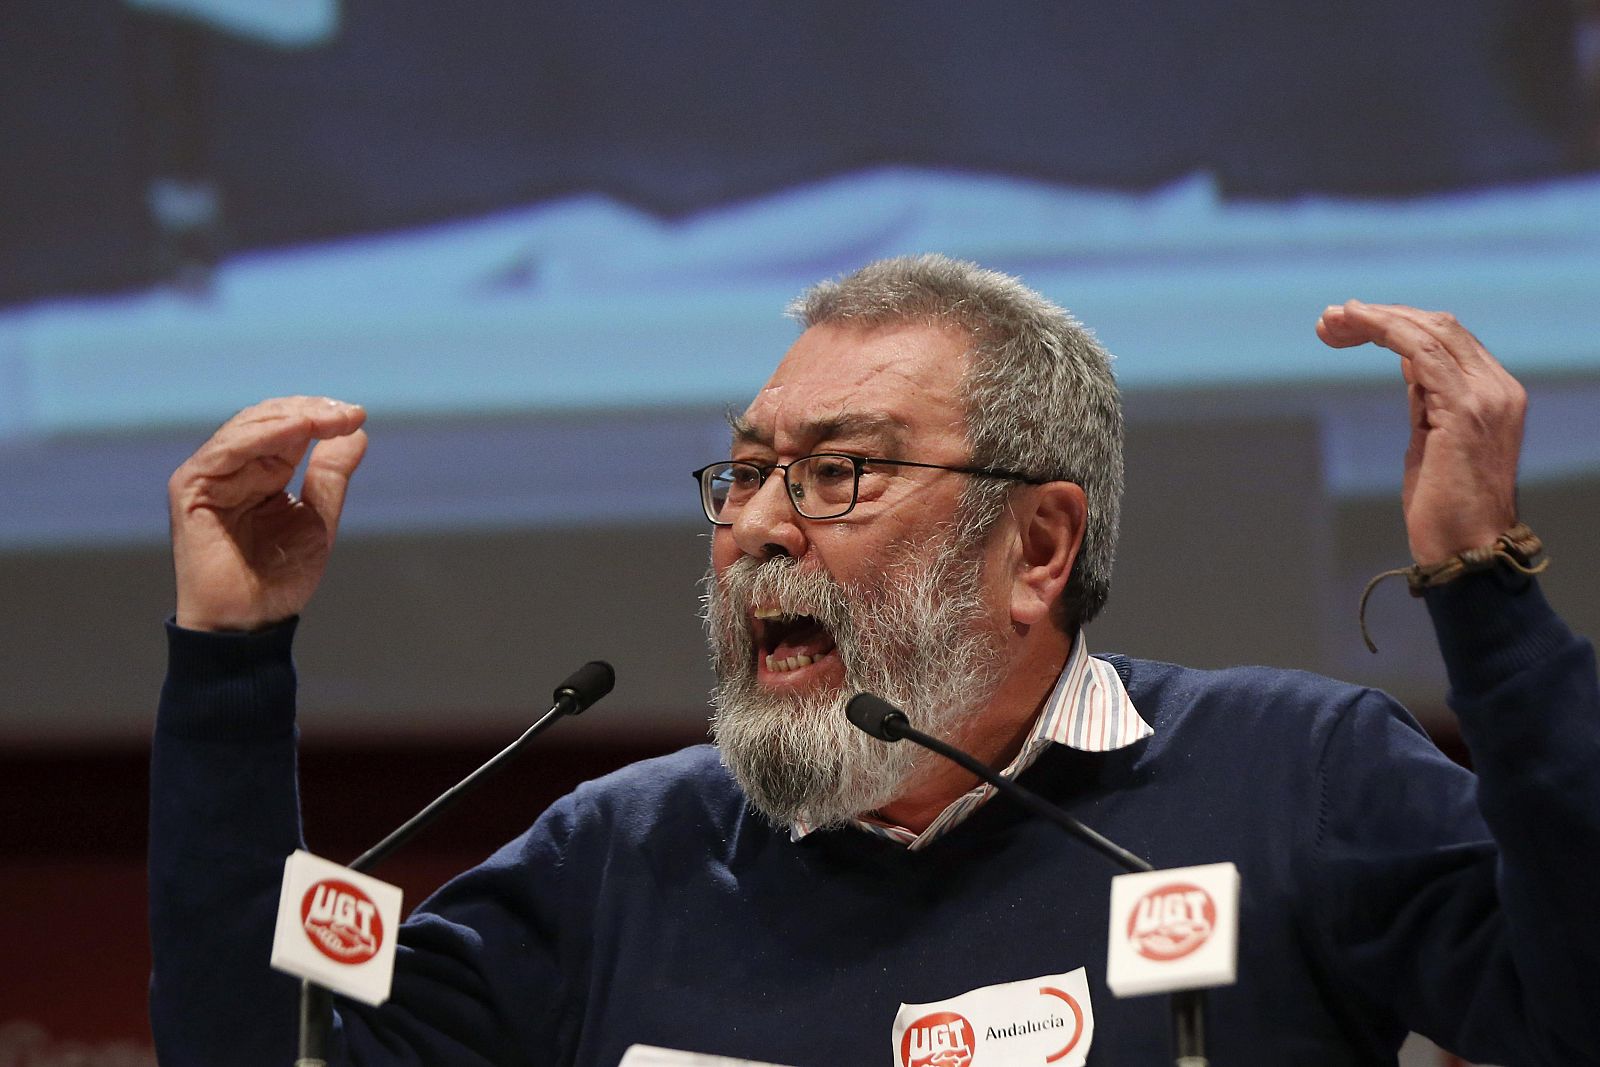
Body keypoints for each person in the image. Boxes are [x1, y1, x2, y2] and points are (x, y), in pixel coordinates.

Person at [149, 256, 1599, 1066]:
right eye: (745, 473)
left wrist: (1483, 591)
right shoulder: (623, 857)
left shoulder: (1291, 779)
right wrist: (231, 657)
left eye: (839, 473)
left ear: (1040, 547)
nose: (759, 528)